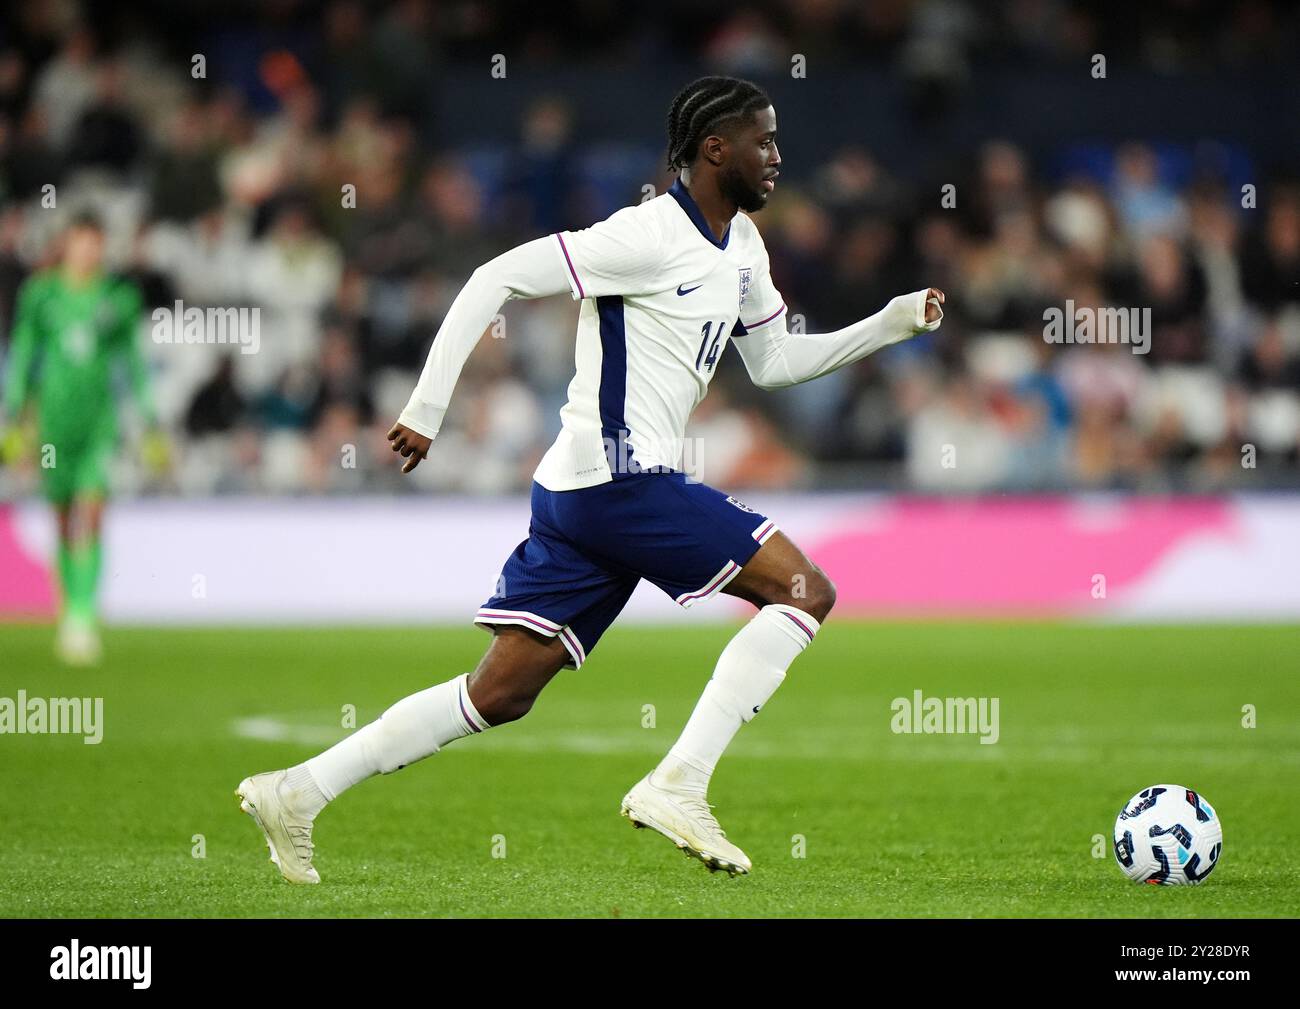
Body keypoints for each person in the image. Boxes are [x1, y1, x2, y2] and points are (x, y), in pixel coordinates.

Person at [237, 76, 944, 882]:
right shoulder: (643, 236)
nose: (779, 156)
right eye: (765, 140)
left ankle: (299, 790)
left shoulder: (744, 246)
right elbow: (493, 277)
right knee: (805, 589)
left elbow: (776, 361)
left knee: (497, 693)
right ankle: (680, 782)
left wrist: (888, 324)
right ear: (716, 149)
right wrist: (427, 407)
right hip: (618, 478)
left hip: (582, 492)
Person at [1, 212, 155, 664]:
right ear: (66, 245)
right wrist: (14, 414)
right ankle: (68, 608)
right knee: (64, 515)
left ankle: (84, 614)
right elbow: (25, 350)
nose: (89, 251)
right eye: (81, 242)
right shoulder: (41, 295)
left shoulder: (117, 298)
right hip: (53, 423)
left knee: (91, 508)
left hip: (98, 423)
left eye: (96, 243)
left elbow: (132, 360)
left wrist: (146, 416)